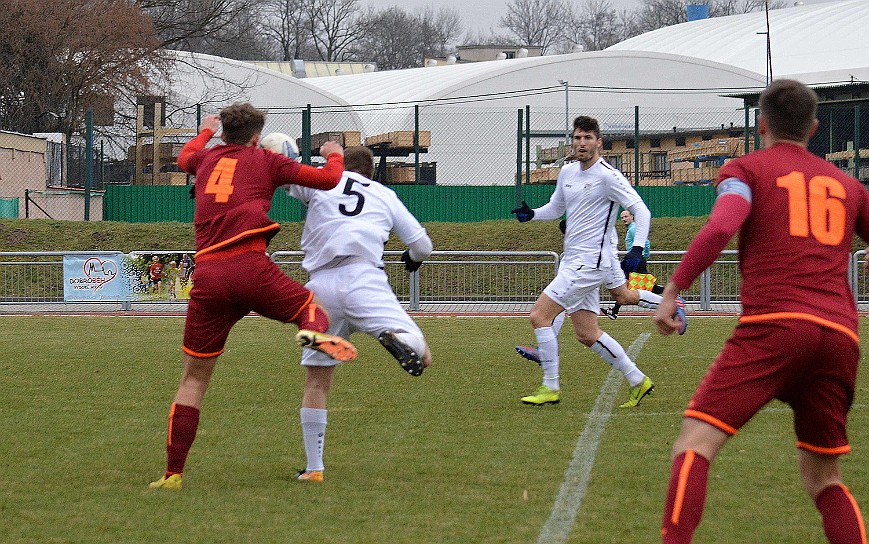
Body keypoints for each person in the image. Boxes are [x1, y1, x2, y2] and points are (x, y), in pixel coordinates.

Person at [654, 79, 868, 543]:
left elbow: (721, 226)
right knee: (824, 479)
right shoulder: (850, 186)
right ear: (813, 128)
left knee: (695, 445)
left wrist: (674, 287)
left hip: (774, 326)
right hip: (838, 337)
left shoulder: (746, 170)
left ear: (762, 122)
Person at [148, 103, 358, 491]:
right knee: (314, 309)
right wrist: (334, 152)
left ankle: (173, 473)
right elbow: (329, 180)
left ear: (225, 132)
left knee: (193, 379)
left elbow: (184, 158)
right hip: (249, 267)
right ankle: (311, 332)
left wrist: (205, 131)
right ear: (258, 136)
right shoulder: (266, 160)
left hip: (208, 276)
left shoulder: (207, 159)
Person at [510, 115, 682, 408]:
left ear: (598, 143)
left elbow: (641, 210)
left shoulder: (608, 176)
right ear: (572, 141)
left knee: (539, 316)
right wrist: (534, 214)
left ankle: (550, 387)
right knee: (587, 333)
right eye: (577, 138)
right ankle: (638, 381)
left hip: (590, 262)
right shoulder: (567, 172)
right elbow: (557, 207)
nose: (582, 143)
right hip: (575, 259)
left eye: (588, 138)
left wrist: (637, 249)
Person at [283, 146, 433, 482]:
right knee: (422, 356)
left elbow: (284, 172)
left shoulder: (322, 182)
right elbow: (423, 246)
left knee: (317, 381)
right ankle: (393, 337)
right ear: (371, 173)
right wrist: (412, 258)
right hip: (364, 278)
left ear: (337, 165)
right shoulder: (384, 193)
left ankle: (315, 468)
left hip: (320, 287)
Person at [602, 210, 665, 319]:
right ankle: (614, 311)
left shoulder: (633, 229)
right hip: (634, 259)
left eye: (626, 216)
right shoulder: (631, 229)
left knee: (642, 285)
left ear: (632, 216)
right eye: (622, 217)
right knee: (628, 285)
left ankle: (672, 296)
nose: (624, 219)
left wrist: (643, 256)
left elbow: (646, 243)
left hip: (635, 260)